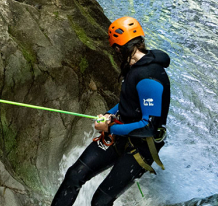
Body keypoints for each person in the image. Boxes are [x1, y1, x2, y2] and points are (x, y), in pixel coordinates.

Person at [52, 16, 171, 205]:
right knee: (74, 176)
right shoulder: (135, 67)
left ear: (123, 48)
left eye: (116, 47)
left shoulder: (149, 77)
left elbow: (148, 126)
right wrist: (109, 114)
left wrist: (109, 128)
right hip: (121, 134)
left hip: (141, 146)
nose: (115, 52)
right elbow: (129, 101)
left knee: (100, 201)